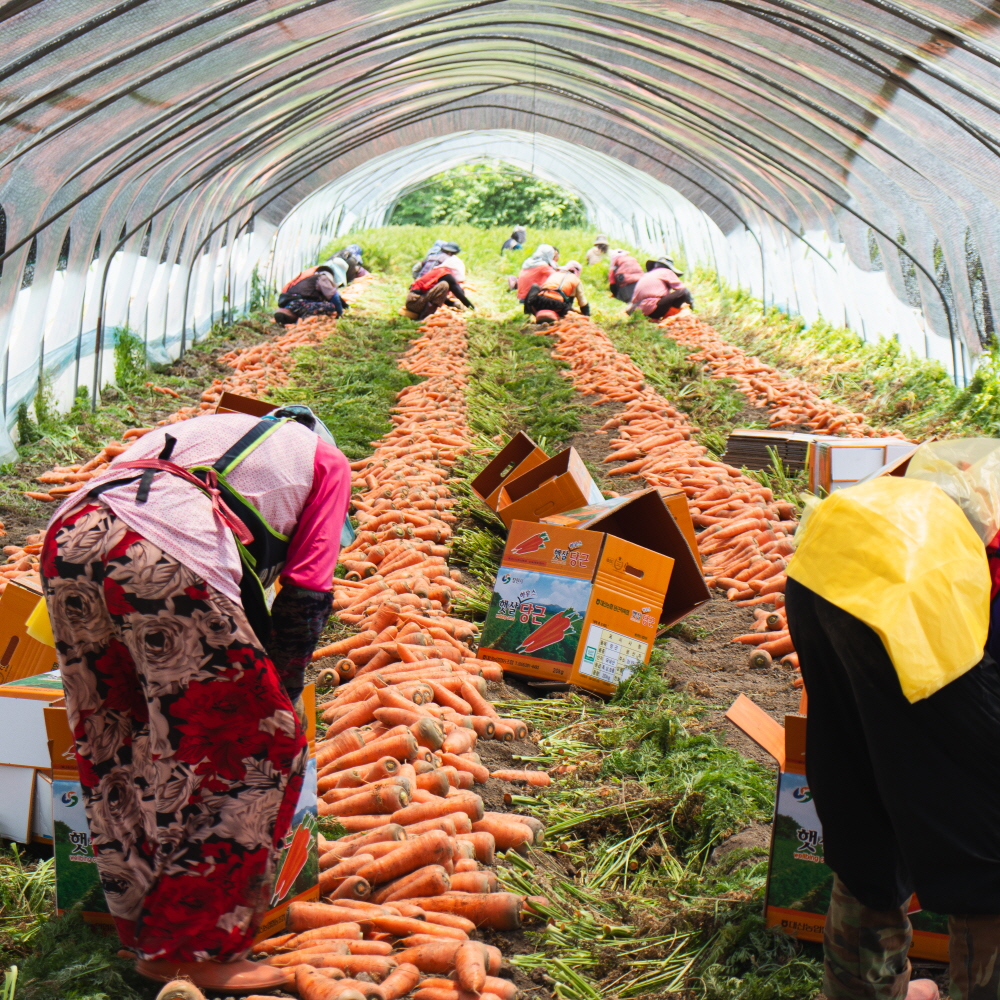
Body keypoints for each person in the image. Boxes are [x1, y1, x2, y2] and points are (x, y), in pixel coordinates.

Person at [40, 405, 351, 993]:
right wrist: (279, 695)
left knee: (118, 735)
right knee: (256, 744)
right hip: (157, 548)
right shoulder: (328, 463)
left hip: (67, 539)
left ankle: (142, 927)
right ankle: (193, 949)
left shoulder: (214, 433)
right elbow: (307, 592)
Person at [785, 442, 1000, 1000]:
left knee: (863, 793)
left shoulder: (974, 482)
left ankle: (860, 990)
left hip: (822, 565)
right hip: (913, 595)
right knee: (985, 839)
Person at [272, 265, 345, 325]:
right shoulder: (322, 277)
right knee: (330, 306)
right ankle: (302, 319)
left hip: (290, 304)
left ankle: (288, 314)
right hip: (301, 304)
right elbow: (333, 295)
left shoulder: (306, 280)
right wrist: (340, 312)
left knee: (303, 308)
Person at [628, 257, 693, 320]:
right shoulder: (667, 272)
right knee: (682, 292)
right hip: (653, 309)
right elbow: (682, 289)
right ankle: (668, 317)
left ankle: (653, 318)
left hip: (637, 310)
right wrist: (691, 306)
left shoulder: (645, 275)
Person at [404, 263, 474, 319]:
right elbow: (458, 292)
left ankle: (424, 315)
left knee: (442, 287)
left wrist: (453, 304)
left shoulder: (438, 271)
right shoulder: (445, 274)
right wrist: (472, 307)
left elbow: (436, 294)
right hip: (416, 302)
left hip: (412, 302)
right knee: (444, 285)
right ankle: (424, 317)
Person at [524, 261, 590, 320]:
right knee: (569, 300)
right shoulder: (576, 280)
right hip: (558, 306)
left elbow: (544, 287)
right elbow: (582, 302)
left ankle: (528, 314)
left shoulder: (555, 274)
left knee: (535, 286)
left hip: (539, 302)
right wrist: (586, 315)